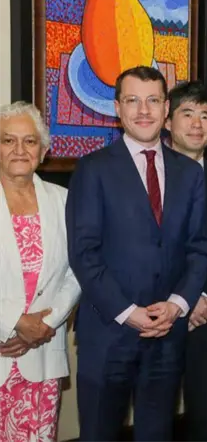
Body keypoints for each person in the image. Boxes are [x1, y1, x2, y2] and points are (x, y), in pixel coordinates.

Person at [66, 66, 207, 442]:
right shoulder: (92, 169)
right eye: (133, 100)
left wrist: (178, 304)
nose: (143, 110)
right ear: (117, 108)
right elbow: (84, 253)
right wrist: (130, 314)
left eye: (153, 100)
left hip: (167, 335)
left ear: (166, 109)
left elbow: (199, 247)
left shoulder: (190, 174)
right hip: (108, 334)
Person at [0, 102, 81, 441]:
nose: (20, 150)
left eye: (30, 141)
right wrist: (14, 322)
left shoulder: (64, 201)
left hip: (45, 352)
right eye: (8, 140)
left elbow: (79, 268)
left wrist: (45, 325)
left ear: (44, 150)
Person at [166, 80, 207, 442]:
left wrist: (205, 298)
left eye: (205, 116)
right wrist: (180, 302)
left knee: (206, 421)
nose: (196, 124)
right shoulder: (147, 179)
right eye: (187, 113)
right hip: (157, 316)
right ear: (167, 120)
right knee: (154, 419)